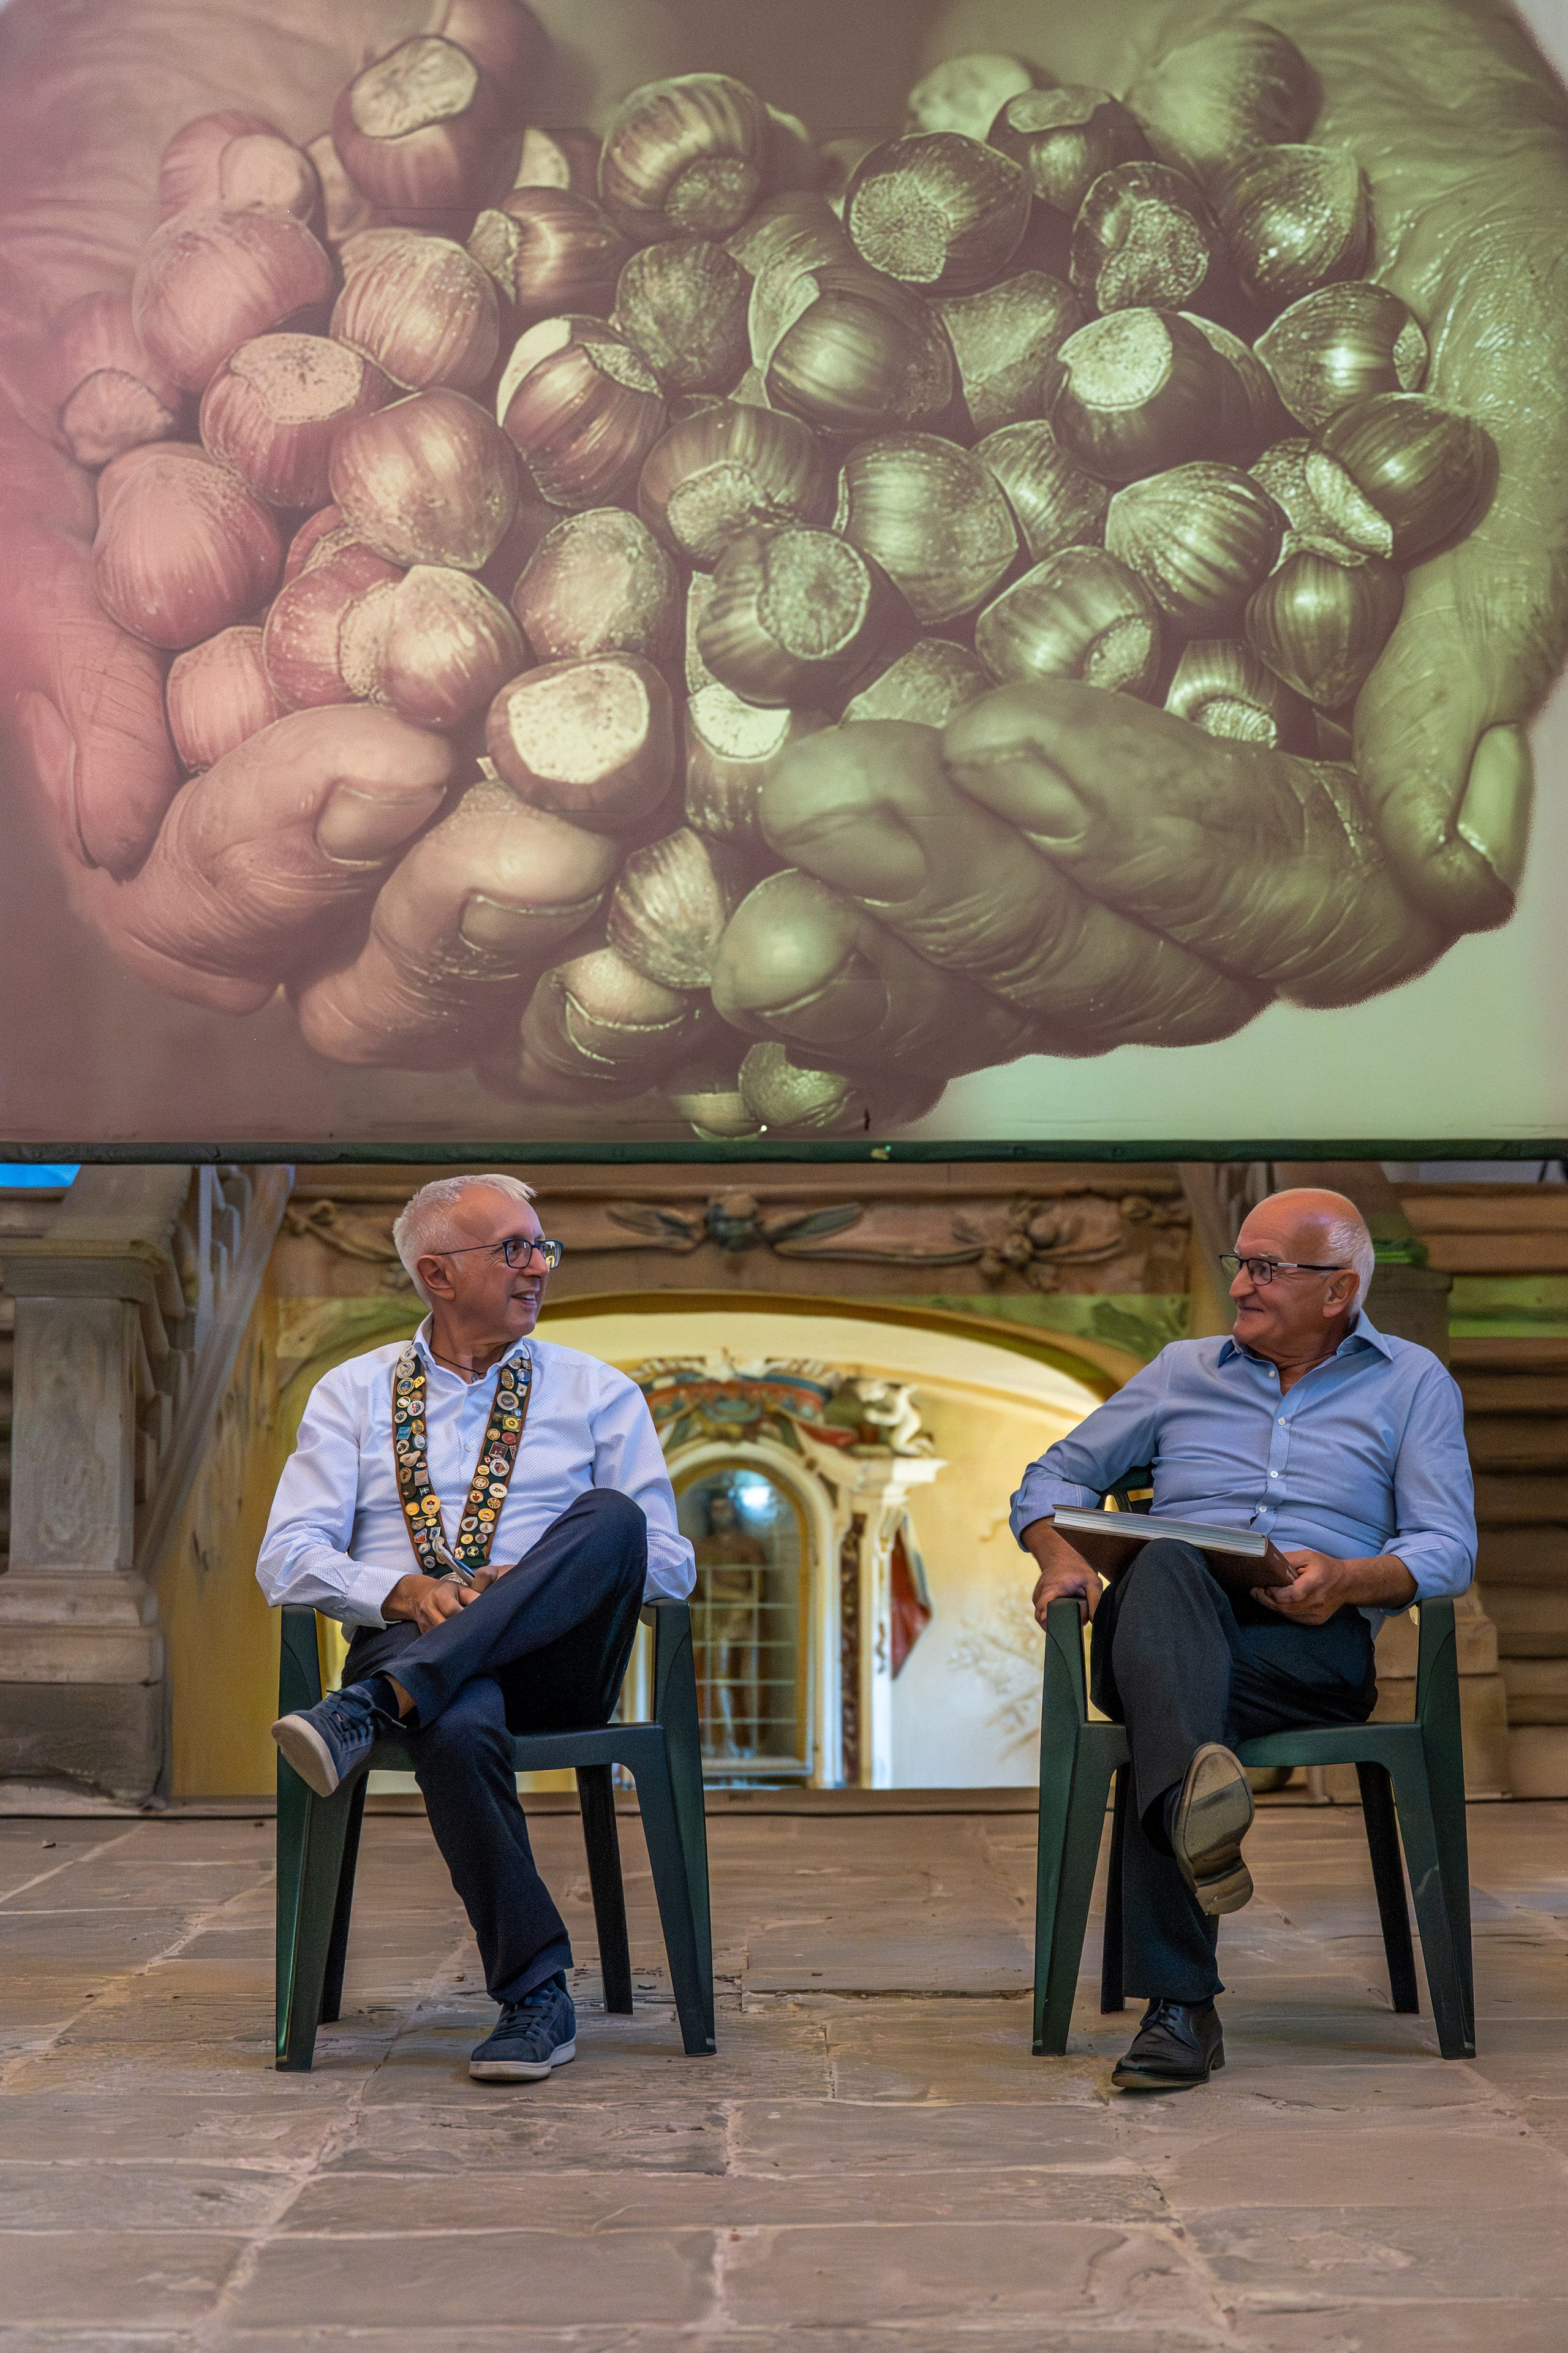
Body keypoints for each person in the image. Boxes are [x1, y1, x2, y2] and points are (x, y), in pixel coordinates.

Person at [1013, 1187, 1475, 2094]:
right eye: (1241, 1263)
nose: (1244, 1285)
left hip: (1305, 1649)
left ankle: (1182, 1999)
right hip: (1155, 1622)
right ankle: (1182, 1967)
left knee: (1167, 1716)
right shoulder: (1183, 1368)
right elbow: (1055, 1472)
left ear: (1339, 1290)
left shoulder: (1412, 1380)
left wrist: (1347, 1577)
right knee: (1171, 1561)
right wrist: (1058, 1554)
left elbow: (1445, 1544)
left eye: (1268, 1267)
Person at [259, 1171, 695, 2085]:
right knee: (452, 1716)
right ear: (437, 1273)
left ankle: (371, 1707)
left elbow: (667, 1562)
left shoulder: (596, 1390)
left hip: (557, 1654)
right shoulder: (352, 1392)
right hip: (410, 1635)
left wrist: (527, 1582)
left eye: (544, 1247)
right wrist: (402, 1590)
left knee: (611, 1515)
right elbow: (286, 1556)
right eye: (514, 1249)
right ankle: (536, 1993)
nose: (539, 1266)